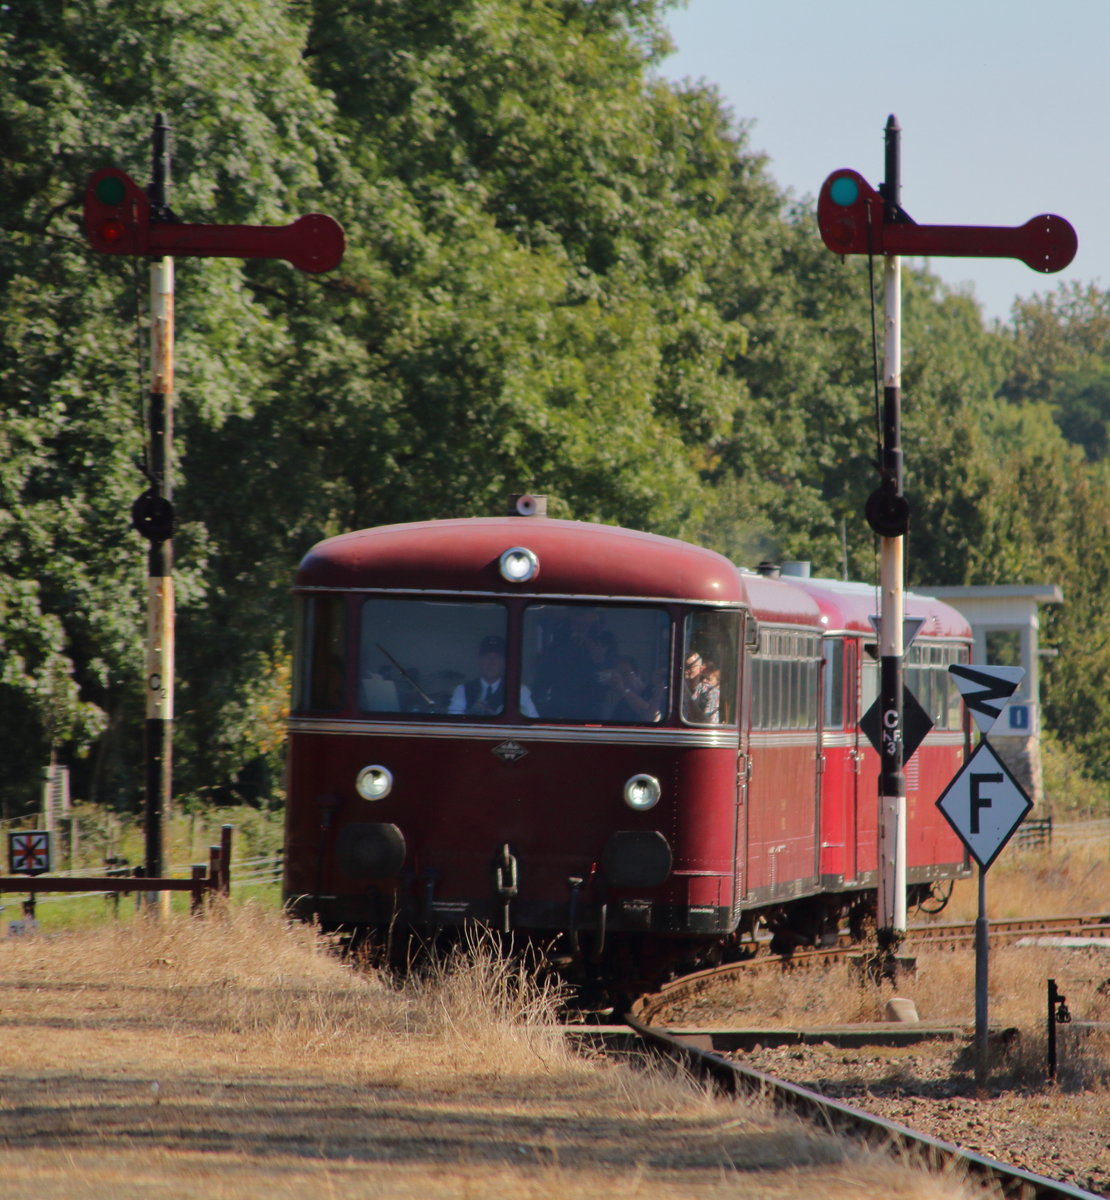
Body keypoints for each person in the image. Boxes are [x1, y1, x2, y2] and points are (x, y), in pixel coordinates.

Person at [449, 635, 539, 717]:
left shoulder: (519, 691)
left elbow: (533, 721)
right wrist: (470, 714)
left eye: (497, 657)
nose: (491, 662)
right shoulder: (462, 690)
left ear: (505, 662)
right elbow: (453, 722)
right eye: (487, 657)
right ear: (479, 660)